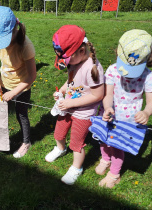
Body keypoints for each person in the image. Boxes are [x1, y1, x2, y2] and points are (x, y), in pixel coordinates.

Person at [97, 29, 152, 188]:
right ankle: (105, 158)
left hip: (129, 120)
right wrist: (107, 107)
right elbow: (108, 94)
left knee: (118, 147)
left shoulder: (148, 76)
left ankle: (114, 174)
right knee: (103, 140)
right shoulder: (112, 70)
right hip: (110, 114)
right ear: (118, 53)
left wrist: (146, 112)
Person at [45, 25, 104, 185]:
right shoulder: (76, 60)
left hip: (83, 113)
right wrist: (62, 91)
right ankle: (60, 148)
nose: (66, 63)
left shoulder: (93, 69)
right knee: (59, 133)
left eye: (67, 59)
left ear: (82, 51)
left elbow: (98, 95)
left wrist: (71, 102)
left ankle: (76, 168)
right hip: (68, 106)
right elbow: (71, 80)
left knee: (76, 143)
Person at [0, 6, 36, 158]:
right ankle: (1, 143)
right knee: (0, 115)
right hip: (3, 84)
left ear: (15, 29)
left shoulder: (25, 46)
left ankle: (26, 142)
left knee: (21, 115)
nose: (2, 44)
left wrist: (15, 92)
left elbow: (31, 76)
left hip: (21, 87)